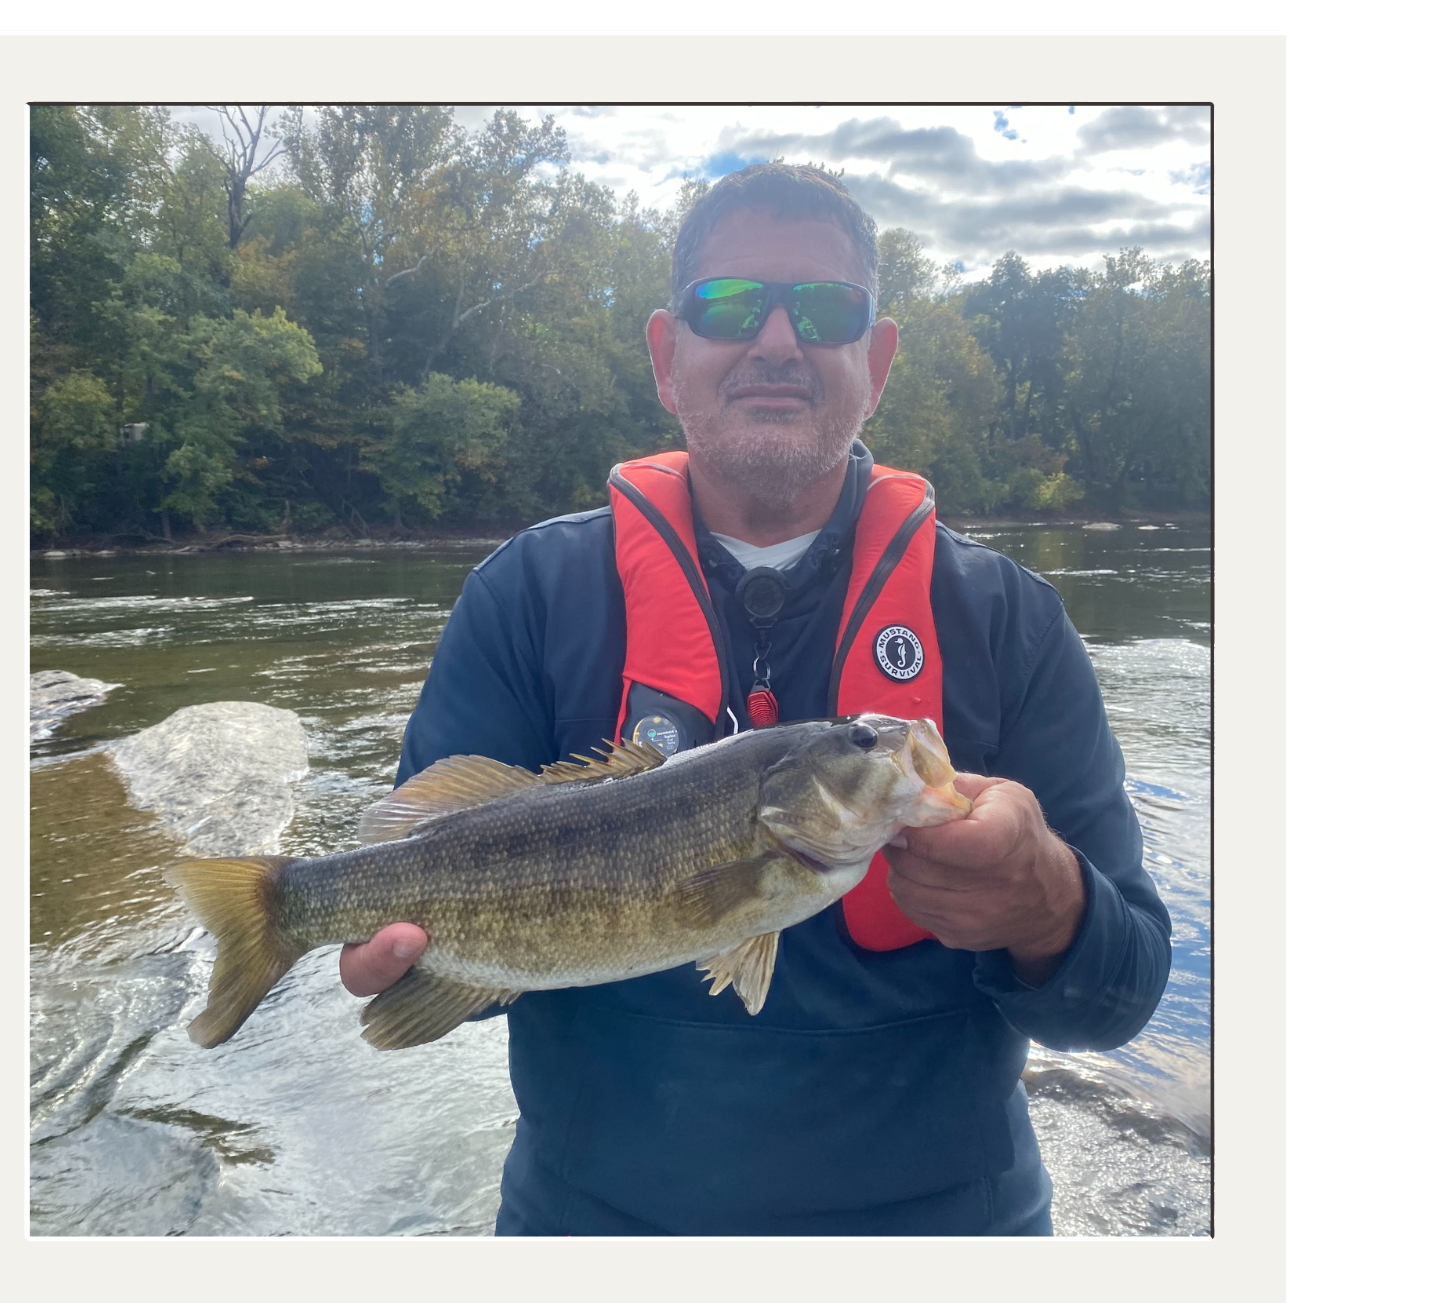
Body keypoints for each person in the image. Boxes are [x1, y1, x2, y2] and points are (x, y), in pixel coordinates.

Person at [338, 164, 1171, 1236]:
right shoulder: (526, 597)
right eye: (728, 305)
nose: (776, 340)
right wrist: (400, 956)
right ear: (664, 355)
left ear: (872, 362)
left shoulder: (1009, 618)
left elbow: (1127, 992)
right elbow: (425, 917)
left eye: (823, 310)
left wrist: (1050, 905)